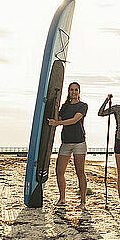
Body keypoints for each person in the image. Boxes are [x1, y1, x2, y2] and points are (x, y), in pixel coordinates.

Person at [48, 82, 89, 210]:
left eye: (76, 90)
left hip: (79, 143)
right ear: (69, 91)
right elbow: (56, 119)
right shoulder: (65, 107)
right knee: (59, 171)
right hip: (65, 142)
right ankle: (62, 198)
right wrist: (56, 108)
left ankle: (82, 201)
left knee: (80, 172)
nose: (74, 92)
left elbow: (74, 120)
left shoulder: (83, 106)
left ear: (79, 92)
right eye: (71, 90)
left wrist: (57, 123)